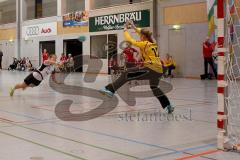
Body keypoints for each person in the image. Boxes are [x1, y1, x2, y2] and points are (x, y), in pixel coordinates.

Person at [100, 20, 174, 114]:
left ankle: (110, 89)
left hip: (151, 69)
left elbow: (130, 40)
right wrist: (134, 27)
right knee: (154, 87)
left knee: (127, 73)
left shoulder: (144, 43)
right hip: (159, 70)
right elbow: (142, 32)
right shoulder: (153, 42)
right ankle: (168, 105)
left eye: (140, 36)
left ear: (143, 37)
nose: (139, 36)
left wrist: (125, 29)